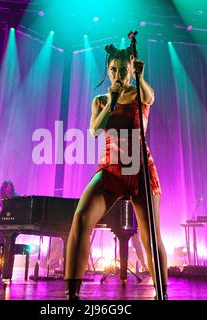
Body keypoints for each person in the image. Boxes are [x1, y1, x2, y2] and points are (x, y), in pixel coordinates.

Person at [65, 44, 168, 300]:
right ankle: (72, 295)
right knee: (80, 220)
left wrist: (141, 78)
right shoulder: (100, 100)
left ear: (131, 70)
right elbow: (94, 132)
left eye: (123, 70)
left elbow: (150, 97)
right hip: (111, 167)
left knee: (150, 236)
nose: (118, 74)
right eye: (113, 70)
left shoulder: (139, 94)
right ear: (108, 71)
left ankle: (162, 295)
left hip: (140, 167)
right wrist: (110, 102)